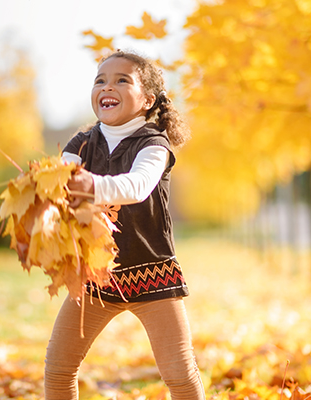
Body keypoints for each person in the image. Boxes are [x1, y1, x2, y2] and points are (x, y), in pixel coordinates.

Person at [44, 50, 205, 399]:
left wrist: (91, 187)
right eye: (100, 80)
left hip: (152, 274)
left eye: (121, 80)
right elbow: (58, 183)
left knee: (179, 373)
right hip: (95, 275)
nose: (107, 86)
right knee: (58, 369)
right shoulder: (82, 142)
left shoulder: (153, 143)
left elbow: (137, 185)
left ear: (147, 99)